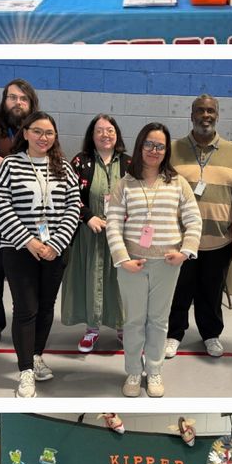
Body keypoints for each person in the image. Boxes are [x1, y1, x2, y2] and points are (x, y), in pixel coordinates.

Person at [106, 123, 202, 398]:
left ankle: (155, 371)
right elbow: (113, 224)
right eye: (149, 144)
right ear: (139, 146)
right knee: (134, 321)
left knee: (159, 321)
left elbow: (194, 219)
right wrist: (122, 258)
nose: (154, 150)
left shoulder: (178, 182)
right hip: (132, 265)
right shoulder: (125, 183)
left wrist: (185, 251)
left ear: (166, 150)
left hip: (167, 263)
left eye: (160, 146)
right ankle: (134, 372)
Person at [0, 111, 81, 398]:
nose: (44, 138)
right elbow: (1, 206)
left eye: (49, 133)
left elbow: (73, 206)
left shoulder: (64, 168)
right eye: (38, 132)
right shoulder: (10, 165)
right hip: (19, 250)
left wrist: (56, 243)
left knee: (45, 307)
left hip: (55, 250)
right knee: (26, 309)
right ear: (26, 133)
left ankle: (38, 355)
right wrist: (29, 241)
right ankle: (26, 369)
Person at [166, 95, 232, 359]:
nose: (205, 115)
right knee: (179, 290)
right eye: (200, 110)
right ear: (191, 115)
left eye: (210, 110)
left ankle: (210, 334)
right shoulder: (173, 149)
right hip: (180, 240)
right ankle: (174, 334)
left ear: (217, 115)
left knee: (211, 292)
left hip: (219, 240)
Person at [0, 79, 39, 352]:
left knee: (23, 278)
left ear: (31, 103)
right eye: (12, 97)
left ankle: (23, 326)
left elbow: (39, 166)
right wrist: (20, 164)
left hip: (27, 221)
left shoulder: (37, 132)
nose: (17, 103)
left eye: (23, 98)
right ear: (4, 101)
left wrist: (6, 163)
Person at [60, 115, 130, 352]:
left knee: (120, 283)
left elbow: (139, 197)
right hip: (90, 236)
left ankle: (123, 328)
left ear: (117, 134)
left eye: (109, 130)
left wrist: (122, 221)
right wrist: (88, 216)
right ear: (92, 135)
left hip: (121, 237)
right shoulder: (81, 161)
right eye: (99, 130)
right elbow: (69, 194)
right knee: (90, 280)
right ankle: (92, 329)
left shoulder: (130, 164)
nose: (105, 135)